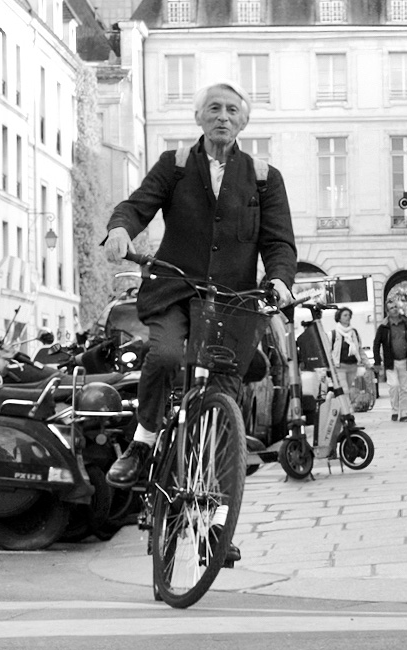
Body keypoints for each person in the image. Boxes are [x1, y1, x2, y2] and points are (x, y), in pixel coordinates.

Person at [103, 80, 297, 499]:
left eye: (231, 110)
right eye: (213, 109)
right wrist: (121, 229)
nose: (222, 117)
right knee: (167, 354)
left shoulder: (264, 179)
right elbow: (138, 206)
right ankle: (143, 441)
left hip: (232, 303)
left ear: (243, 121)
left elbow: (278, 242)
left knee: (225, 402)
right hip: (174, 291)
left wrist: (279, 278)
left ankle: (220, 518)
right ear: (198, 118)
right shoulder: (173, 166)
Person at [373, 299, 407, 422]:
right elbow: (376, 344)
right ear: (387, 311)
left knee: (405, 388)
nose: (394, 309)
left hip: (405, 361)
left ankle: (404, 414)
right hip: (391, 362)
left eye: (395, 306)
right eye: (391, 308)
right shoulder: (384, 327)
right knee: (394, 386)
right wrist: (378, 362)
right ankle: (394, 410)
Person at [330, 307, 367, 393]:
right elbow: (328, 351)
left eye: (349, 315)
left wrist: (367, 363)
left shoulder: (354, 333)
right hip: (340, 367)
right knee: (344, 390)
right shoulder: (334, 333)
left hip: (353, 366)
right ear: (339, 318)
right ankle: (346, 406)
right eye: (345, 315)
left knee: (352, 390)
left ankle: (349, 406)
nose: (348, 317)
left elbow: (359, 349)